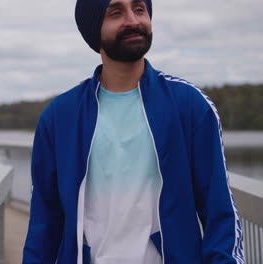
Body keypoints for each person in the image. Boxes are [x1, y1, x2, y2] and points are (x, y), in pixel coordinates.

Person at [22, 0, 246, 263]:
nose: (133, 20)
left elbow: (220, 211)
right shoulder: (59, 118)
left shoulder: (189, 106)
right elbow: (44, 222)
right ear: (94, 28)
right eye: (116, 12)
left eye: (139, 9)